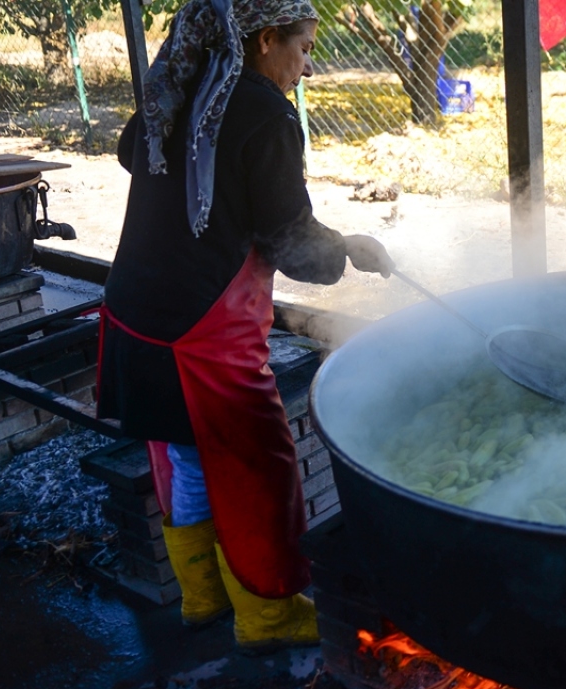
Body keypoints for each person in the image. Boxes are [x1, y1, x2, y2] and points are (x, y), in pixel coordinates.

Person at [96, 0, 394, 653]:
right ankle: (267, 615)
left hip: (132, 313)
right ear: (265, 40)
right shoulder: (264, 112)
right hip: (199, 330)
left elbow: (130, 152)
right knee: (257, 464)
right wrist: (345, 250)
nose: (307, 68)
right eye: (304, 48)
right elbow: (289, 239)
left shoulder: (182, 88)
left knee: (182, 456)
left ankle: (202, 598)